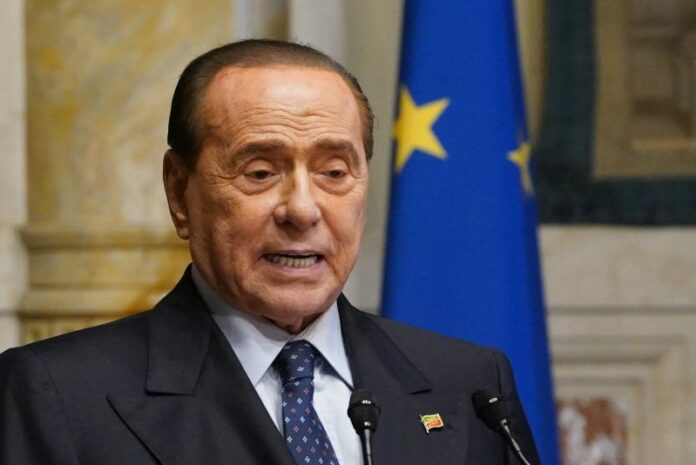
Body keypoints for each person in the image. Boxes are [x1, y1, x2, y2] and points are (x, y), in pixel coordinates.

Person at [0, 40, 540, 465]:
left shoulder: (469, 385)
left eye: (334, 172)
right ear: (179, 192)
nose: (302, 209)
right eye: (259, 172)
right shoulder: (59, 394)